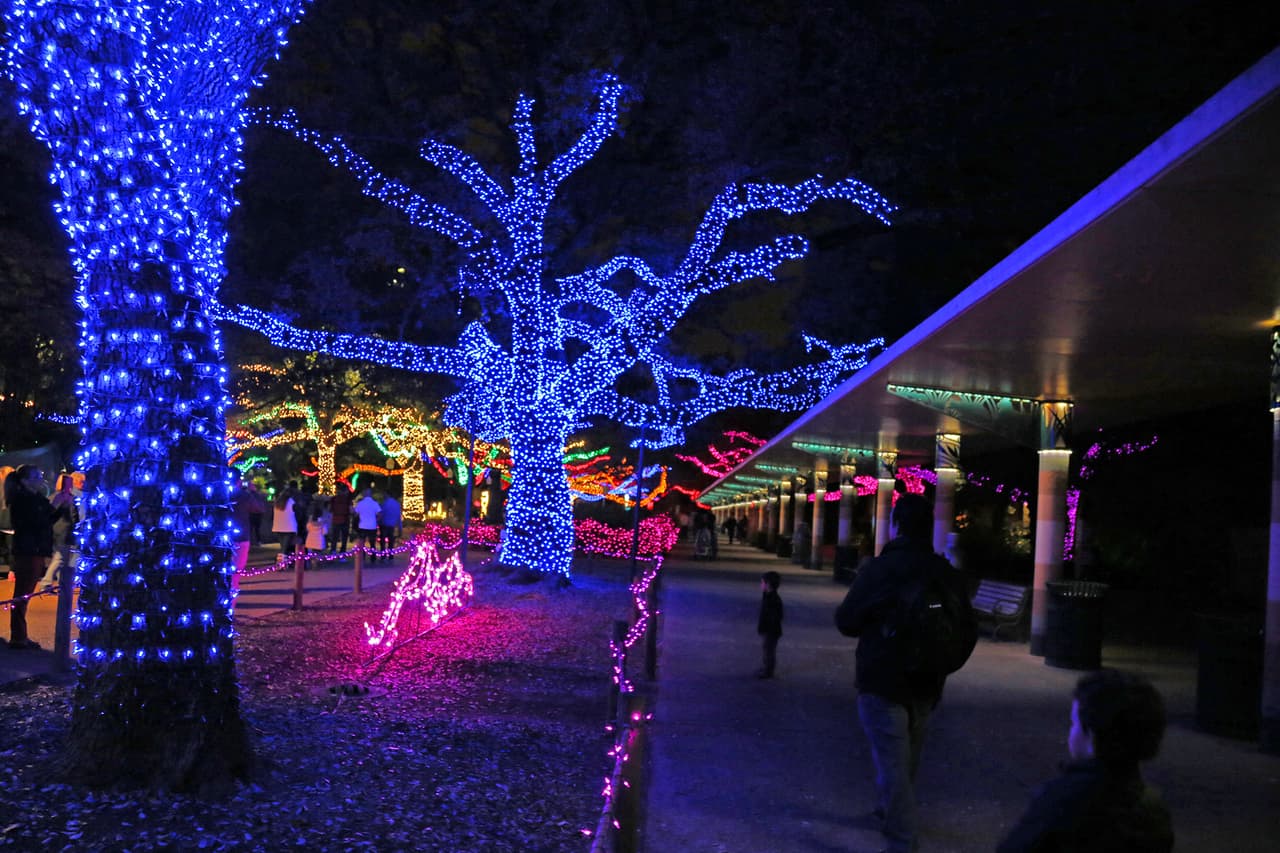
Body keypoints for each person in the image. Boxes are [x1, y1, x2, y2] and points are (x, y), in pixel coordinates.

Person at [834, 492, 967, 853]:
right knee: (908, 755)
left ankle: (902, 841)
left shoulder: (880, 569)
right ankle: (889, 810)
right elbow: (966, 629)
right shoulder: (944, 572)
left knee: (892, 760)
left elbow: (846, 620)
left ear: (895, 525)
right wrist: (944, 664)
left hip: (882, 678)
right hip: (927, 680)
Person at [998, 669, 1174, 852]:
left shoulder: (1062, 802)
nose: (1071, 732)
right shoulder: (1155, 811)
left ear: (1091, 736)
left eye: (1074, 723)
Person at [4, 465, 69, 649]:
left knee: (25, 595)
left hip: (36, 549)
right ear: (25, 481)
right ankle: (18, 638)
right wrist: (54, 505)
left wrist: (61, 507)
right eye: (36, 476)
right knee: (21, 596)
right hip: (27, 551)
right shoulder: (21, 499)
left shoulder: (36, 498)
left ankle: (20, 635)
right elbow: (33, 522)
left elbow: (46, 521)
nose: (41, 478)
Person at [39, 473, 79, 591]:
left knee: (61, 558)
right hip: (62, 531)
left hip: (61, 531)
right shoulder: (60, 497)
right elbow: (69, 516)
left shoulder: (57, 496)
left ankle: (60, 583)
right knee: (60, 558)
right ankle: (46, 583)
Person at [230, 478, 266, 593]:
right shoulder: (243, 495)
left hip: (223, 537)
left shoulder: (220, 493)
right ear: (238, 482)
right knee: (236, 572)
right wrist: (254, 492)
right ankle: (231, 600)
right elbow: (259, 508)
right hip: (241, 537)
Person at [756, 570, 783, 678]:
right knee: (766, 649)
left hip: (771, 631)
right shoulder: (768, 596)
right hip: (768, 630)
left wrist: (768, 629)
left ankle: (768, 671)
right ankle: (766, 667)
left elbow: (776, 616)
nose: (761, 584)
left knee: (769, 651)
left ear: (768, 584)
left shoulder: (773, 599)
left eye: (762, 582)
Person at [352, 485, 381, 562]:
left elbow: (355, 514)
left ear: (364, 494)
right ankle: (373, 558)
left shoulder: (360, 503)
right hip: (372, 526)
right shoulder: (375, 503)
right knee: (372, 543)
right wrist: (376, 521)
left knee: (362, 543)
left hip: (362, 525)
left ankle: (362, 557)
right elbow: (379, 514)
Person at [271, 484, 298, 565]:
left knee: (283, 547)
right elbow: (296, 513)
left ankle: (281, 562)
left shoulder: (277, 503)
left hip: (278, 527)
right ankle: (281, 563)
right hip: (289, 527)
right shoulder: (291, 502)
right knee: (285, 548)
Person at [328, 481, 352, 557]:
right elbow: (351, 510)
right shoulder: (348, 499)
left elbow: (330, 509)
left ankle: (333, 551)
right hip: (345, 519)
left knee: (334, 537)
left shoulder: (333, 499)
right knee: (344, 538)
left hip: (335, 519)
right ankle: (342, 553)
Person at [377, 491, 402, 561]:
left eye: (384, 494)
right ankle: (391, 556)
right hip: (392, 525)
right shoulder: (396, 504)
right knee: (391, 541)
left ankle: (383, 556)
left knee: (383, 541)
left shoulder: (385, 503)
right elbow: (398, 516)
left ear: (387, 495)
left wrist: (378, 522)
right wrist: (400, 527)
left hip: (384, 524)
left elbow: (382, 514)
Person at [303, 503, 329, 571]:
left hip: (310, 540)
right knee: (318, 553)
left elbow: (307, 529)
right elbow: (325, 532)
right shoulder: (322, 523)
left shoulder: (309, 523)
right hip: (319, 540)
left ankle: (311, 563)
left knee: (311, 553)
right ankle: (316, 564)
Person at [246, 480, 265, 546]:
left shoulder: (248, 495)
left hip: (251, 513)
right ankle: (258, 541)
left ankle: (250, 541)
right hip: (259, 513)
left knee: (250, 529)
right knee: (257, 529)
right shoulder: (259, 495)